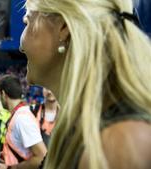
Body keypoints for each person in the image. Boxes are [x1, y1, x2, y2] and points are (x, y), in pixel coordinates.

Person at [19, 0, 151, 169]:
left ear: (63, 28)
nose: (21, 46)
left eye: (27, 22)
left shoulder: (120, 143)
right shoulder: (87, 127)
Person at [0, 75, 47, 169]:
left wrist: (10, 168)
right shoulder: (18, 114)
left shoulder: (22, 118)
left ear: (3, 94)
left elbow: (42, 157)